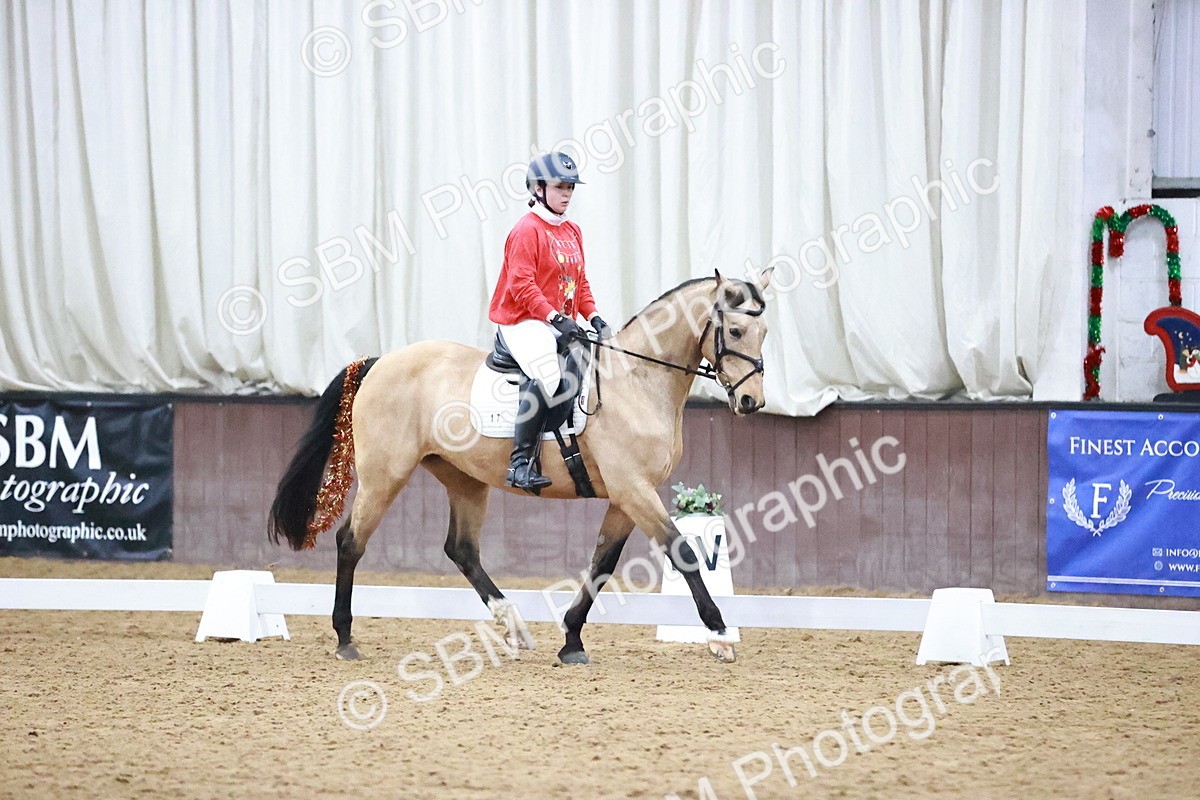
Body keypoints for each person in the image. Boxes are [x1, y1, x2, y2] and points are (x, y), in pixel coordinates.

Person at [487, 151, 614, 492]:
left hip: (555, 321)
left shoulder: (572, 230)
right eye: (560, 186)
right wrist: (556, 318)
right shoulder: (526, 231)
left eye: (571, 187)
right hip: (523, 320)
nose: (567, 194)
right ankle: (520, 463)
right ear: (538, 188)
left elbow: (579, 282)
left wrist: (595, 316)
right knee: (548, 370)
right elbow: (522, 285)